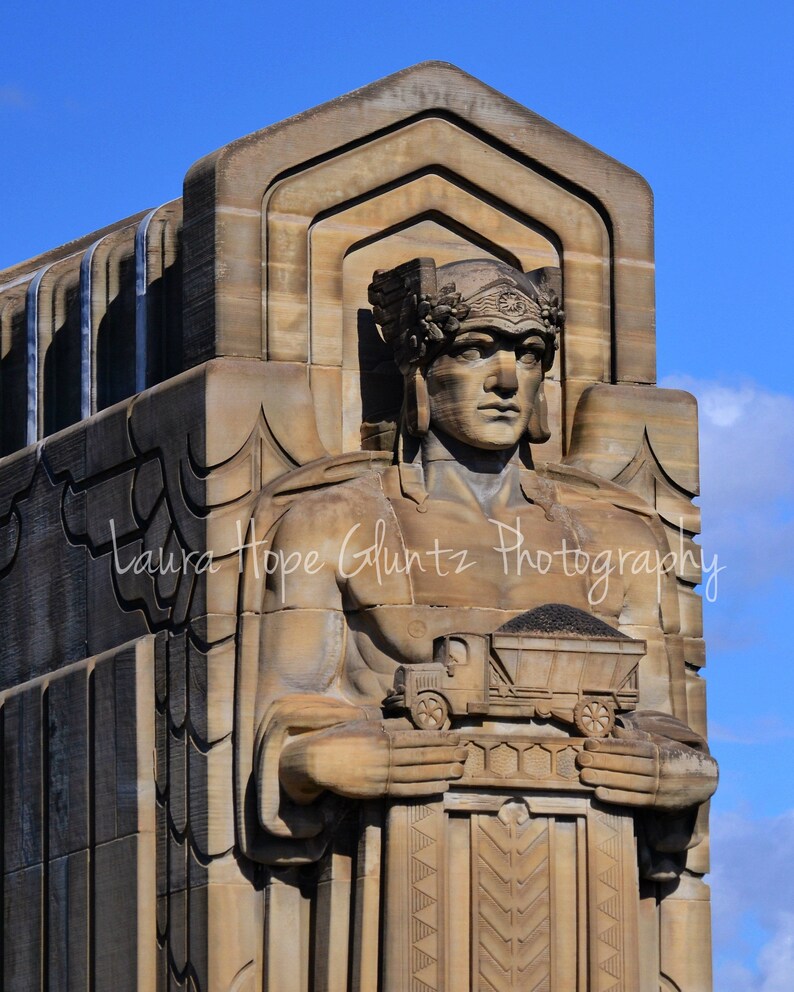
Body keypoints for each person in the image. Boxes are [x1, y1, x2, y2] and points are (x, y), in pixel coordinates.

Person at [236, 257, 717, 986]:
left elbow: (666, 727)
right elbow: (282, 726)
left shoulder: (619, 537)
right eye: (474, 348)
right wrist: (332, 762)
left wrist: (670, 773)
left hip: (594, 891)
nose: (505, 379)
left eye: (527, 356)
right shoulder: (334, 521)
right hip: (402, 877)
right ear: (421, 370)